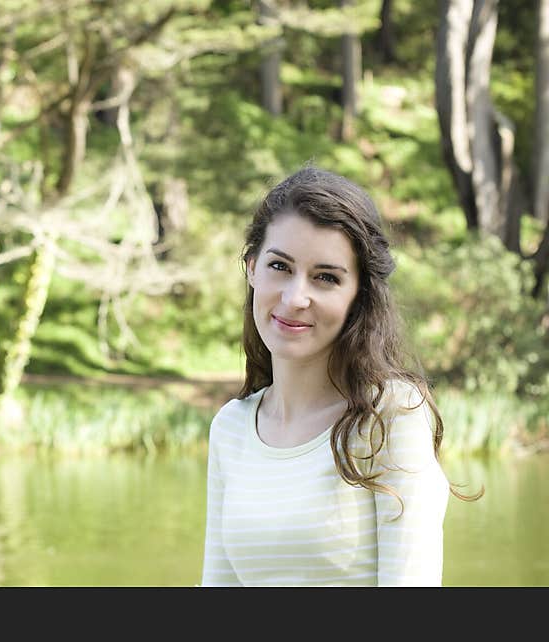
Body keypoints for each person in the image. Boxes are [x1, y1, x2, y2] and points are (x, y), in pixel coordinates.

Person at [201, 166, 478, 587]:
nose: (295, 298)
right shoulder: (231, 428)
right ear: (253, 268)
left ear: (358, 295)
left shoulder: (391, 417)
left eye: (326, 277)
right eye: (280, 266)